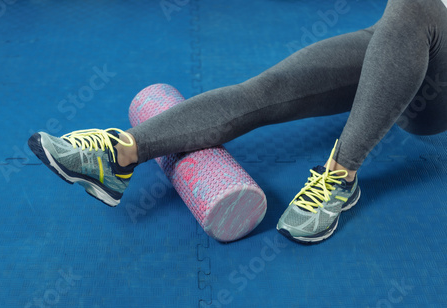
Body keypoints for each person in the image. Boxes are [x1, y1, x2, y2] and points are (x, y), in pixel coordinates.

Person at [28, 0, 447, 244]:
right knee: (267, 89)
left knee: (415, 5)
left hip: (437, 89)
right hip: (402, 46)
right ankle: (118, 158)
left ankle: (341, 177)